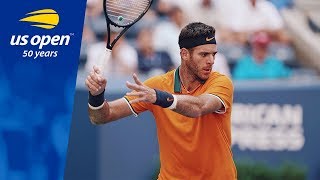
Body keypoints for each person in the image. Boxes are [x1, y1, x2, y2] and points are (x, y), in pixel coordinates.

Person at [85, 22, 237, 179]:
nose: (211, 60)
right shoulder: (157, 85)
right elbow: (101, 116)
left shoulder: (221, 82)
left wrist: (160, 98)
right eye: (204, 54)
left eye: (214, 54)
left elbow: (200, 107)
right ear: (185, 54)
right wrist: (96, 95)